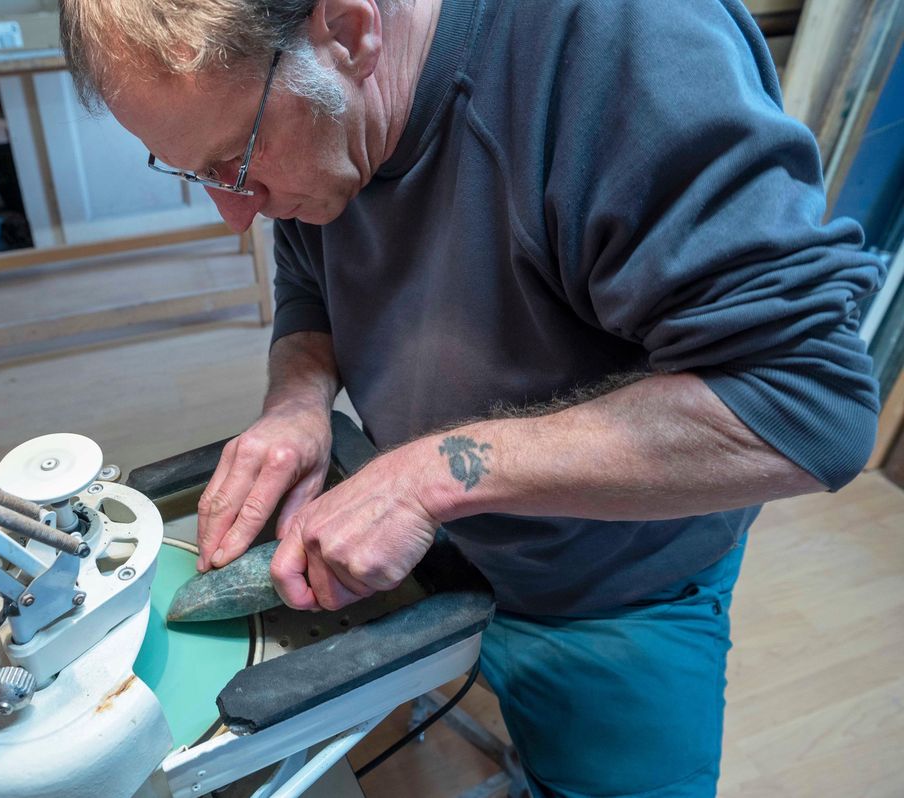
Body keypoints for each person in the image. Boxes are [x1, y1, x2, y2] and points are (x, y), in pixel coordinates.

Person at [60, 0, 883, 794]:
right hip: (442, 549)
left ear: (348, 29)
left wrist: (427, 479)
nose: (234, 213)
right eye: (195, 170)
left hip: (614, 586)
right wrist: (298, 400)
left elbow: (806, 406)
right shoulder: (313, 99)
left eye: (237, 160)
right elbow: (311, 272)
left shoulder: (627, 48)